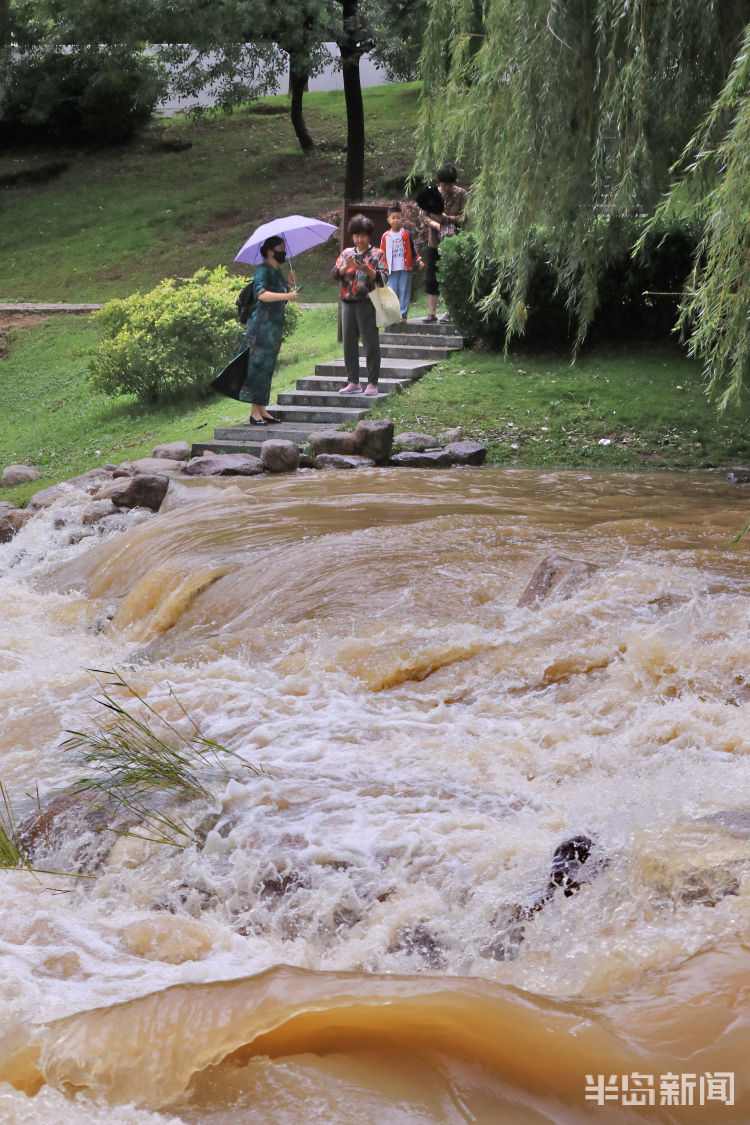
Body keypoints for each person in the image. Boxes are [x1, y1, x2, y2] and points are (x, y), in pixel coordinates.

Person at [212, 235, 299, 425]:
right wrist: (287, 294)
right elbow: (262, 295)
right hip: (261, 327)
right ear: (269, 251)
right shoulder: (263, 272)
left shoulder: (277, 272)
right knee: (257, 367)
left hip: (273, 328)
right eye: (280, 248)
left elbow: (283, 298)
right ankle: (254, 413)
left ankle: (262, 409)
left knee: (267, 368)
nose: (283, 251)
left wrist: (290, 284)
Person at [331, 214, 388, 395]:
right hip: (347, 302)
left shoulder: (377, 254)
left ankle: (372, 382)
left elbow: (383, 277)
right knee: (349, 343)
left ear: (369, 236)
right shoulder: (346, 253)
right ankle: (353, 381)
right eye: (356, 235)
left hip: (367, 302)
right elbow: (334, 274)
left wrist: (366, 269)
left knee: (370, 343)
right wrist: (344, 267)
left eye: (362, 235)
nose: (359, 239)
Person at [420, 162, 468, 323]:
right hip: (434, 240)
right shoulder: (432, 193)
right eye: (442, 183)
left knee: (451, 276)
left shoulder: (461, 194)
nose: (444, 187)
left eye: (447, 184)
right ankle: (432, 313)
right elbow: (423, 214)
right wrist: (434, 224)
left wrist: (447, 219)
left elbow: (465, 217)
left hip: (454, 241)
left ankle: (451, 312)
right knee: (432, 276)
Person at [380, 202, 423, 321]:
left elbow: (413, 249)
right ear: (388, 220)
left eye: (398, 218)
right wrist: (382, 267)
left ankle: (403, 315)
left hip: (405, 268)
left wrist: (418, 259)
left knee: (404, 292)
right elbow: (381, 254)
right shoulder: (385, 236)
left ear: (402, 219)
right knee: (392, 292)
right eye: (393, 218)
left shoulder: (406, 234)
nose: (396, 220)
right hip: (391, 270)